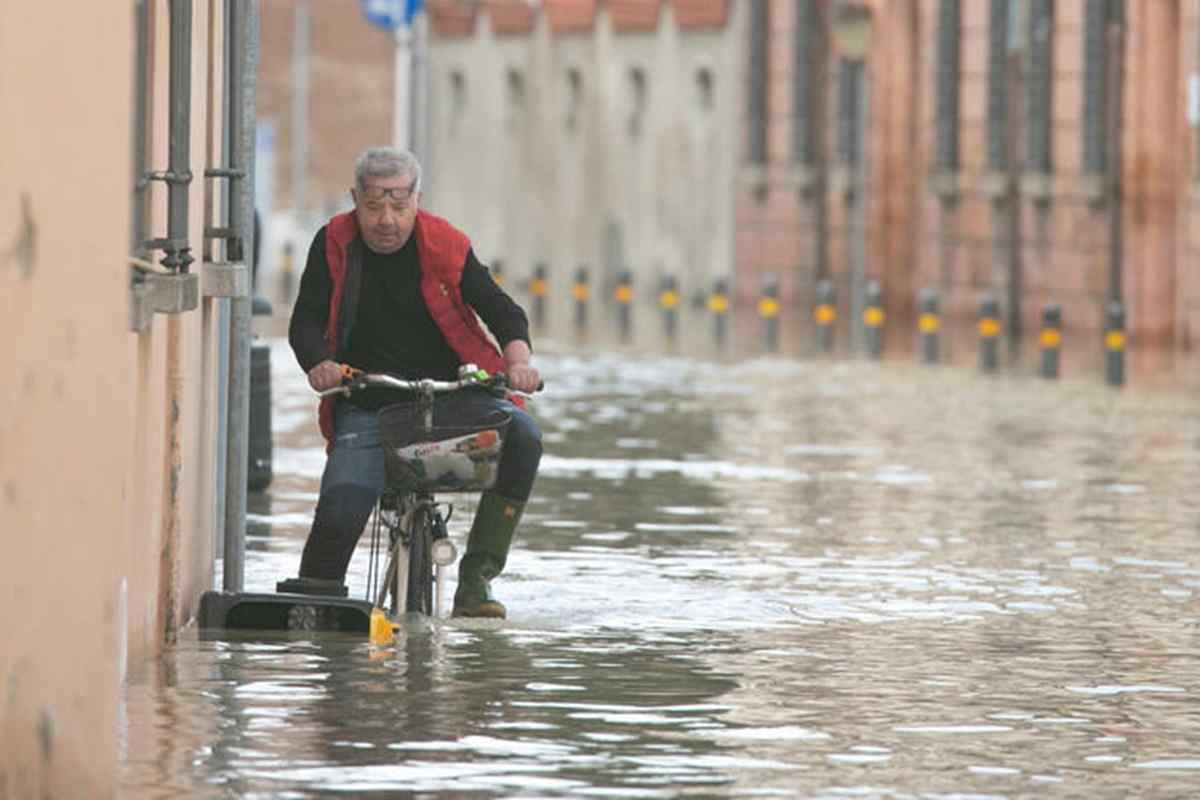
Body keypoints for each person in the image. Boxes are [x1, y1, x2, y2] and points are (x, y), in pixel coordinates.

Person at [280, 147, 542, 619]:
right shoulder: (334, 242)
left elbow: (503, 312)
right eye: (374, 205)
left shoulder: (446, 243)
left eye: (399, 206)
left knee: (524, 436)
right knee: (341, 503)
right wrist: (318, 363)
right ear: (354, 200)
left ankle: (476, 579)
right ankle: (315, 608)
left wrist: (518, 360)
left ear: (417, 201)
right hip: (367, 402)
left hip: (452, 399)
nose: (387, 220)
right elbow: (305, 321)